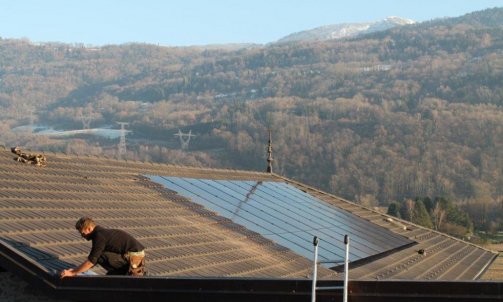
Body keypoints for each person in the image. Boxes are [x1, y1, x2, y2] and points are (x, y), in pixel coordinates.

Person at [60, 217, 146, 278]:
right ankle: (118, 274)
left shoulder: (99, 237)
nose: (82, 236)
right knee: (100, 258)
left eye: (82, 233)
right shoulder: (102, 233)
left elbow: (91, 261)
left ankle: (123, 274)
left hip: (134, 259)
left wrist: (72, 272)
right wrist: (78, 270)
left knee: (99, 256)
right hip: (132, 256)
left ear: (89, 229)